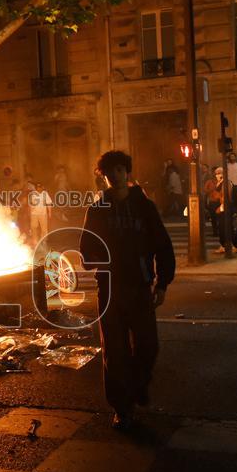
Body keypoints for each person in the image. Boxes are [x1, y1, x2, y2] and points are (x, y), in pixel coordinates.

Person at [80, 151, 175, 431]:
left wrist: (163, 282)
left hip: (140, 287)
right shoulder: (96, 210)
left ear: (127, 171)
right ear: (104, 176)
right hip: (109, 289)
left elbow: (162, 245)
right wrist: (104, 262)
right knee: (115, 351)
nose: (115, 175)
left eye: (120, 169)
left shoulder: (145, 208)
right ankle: (122, 408)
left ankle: (138, 384)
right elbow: (86, 250)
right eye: (110, 171)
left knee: (148, 345)